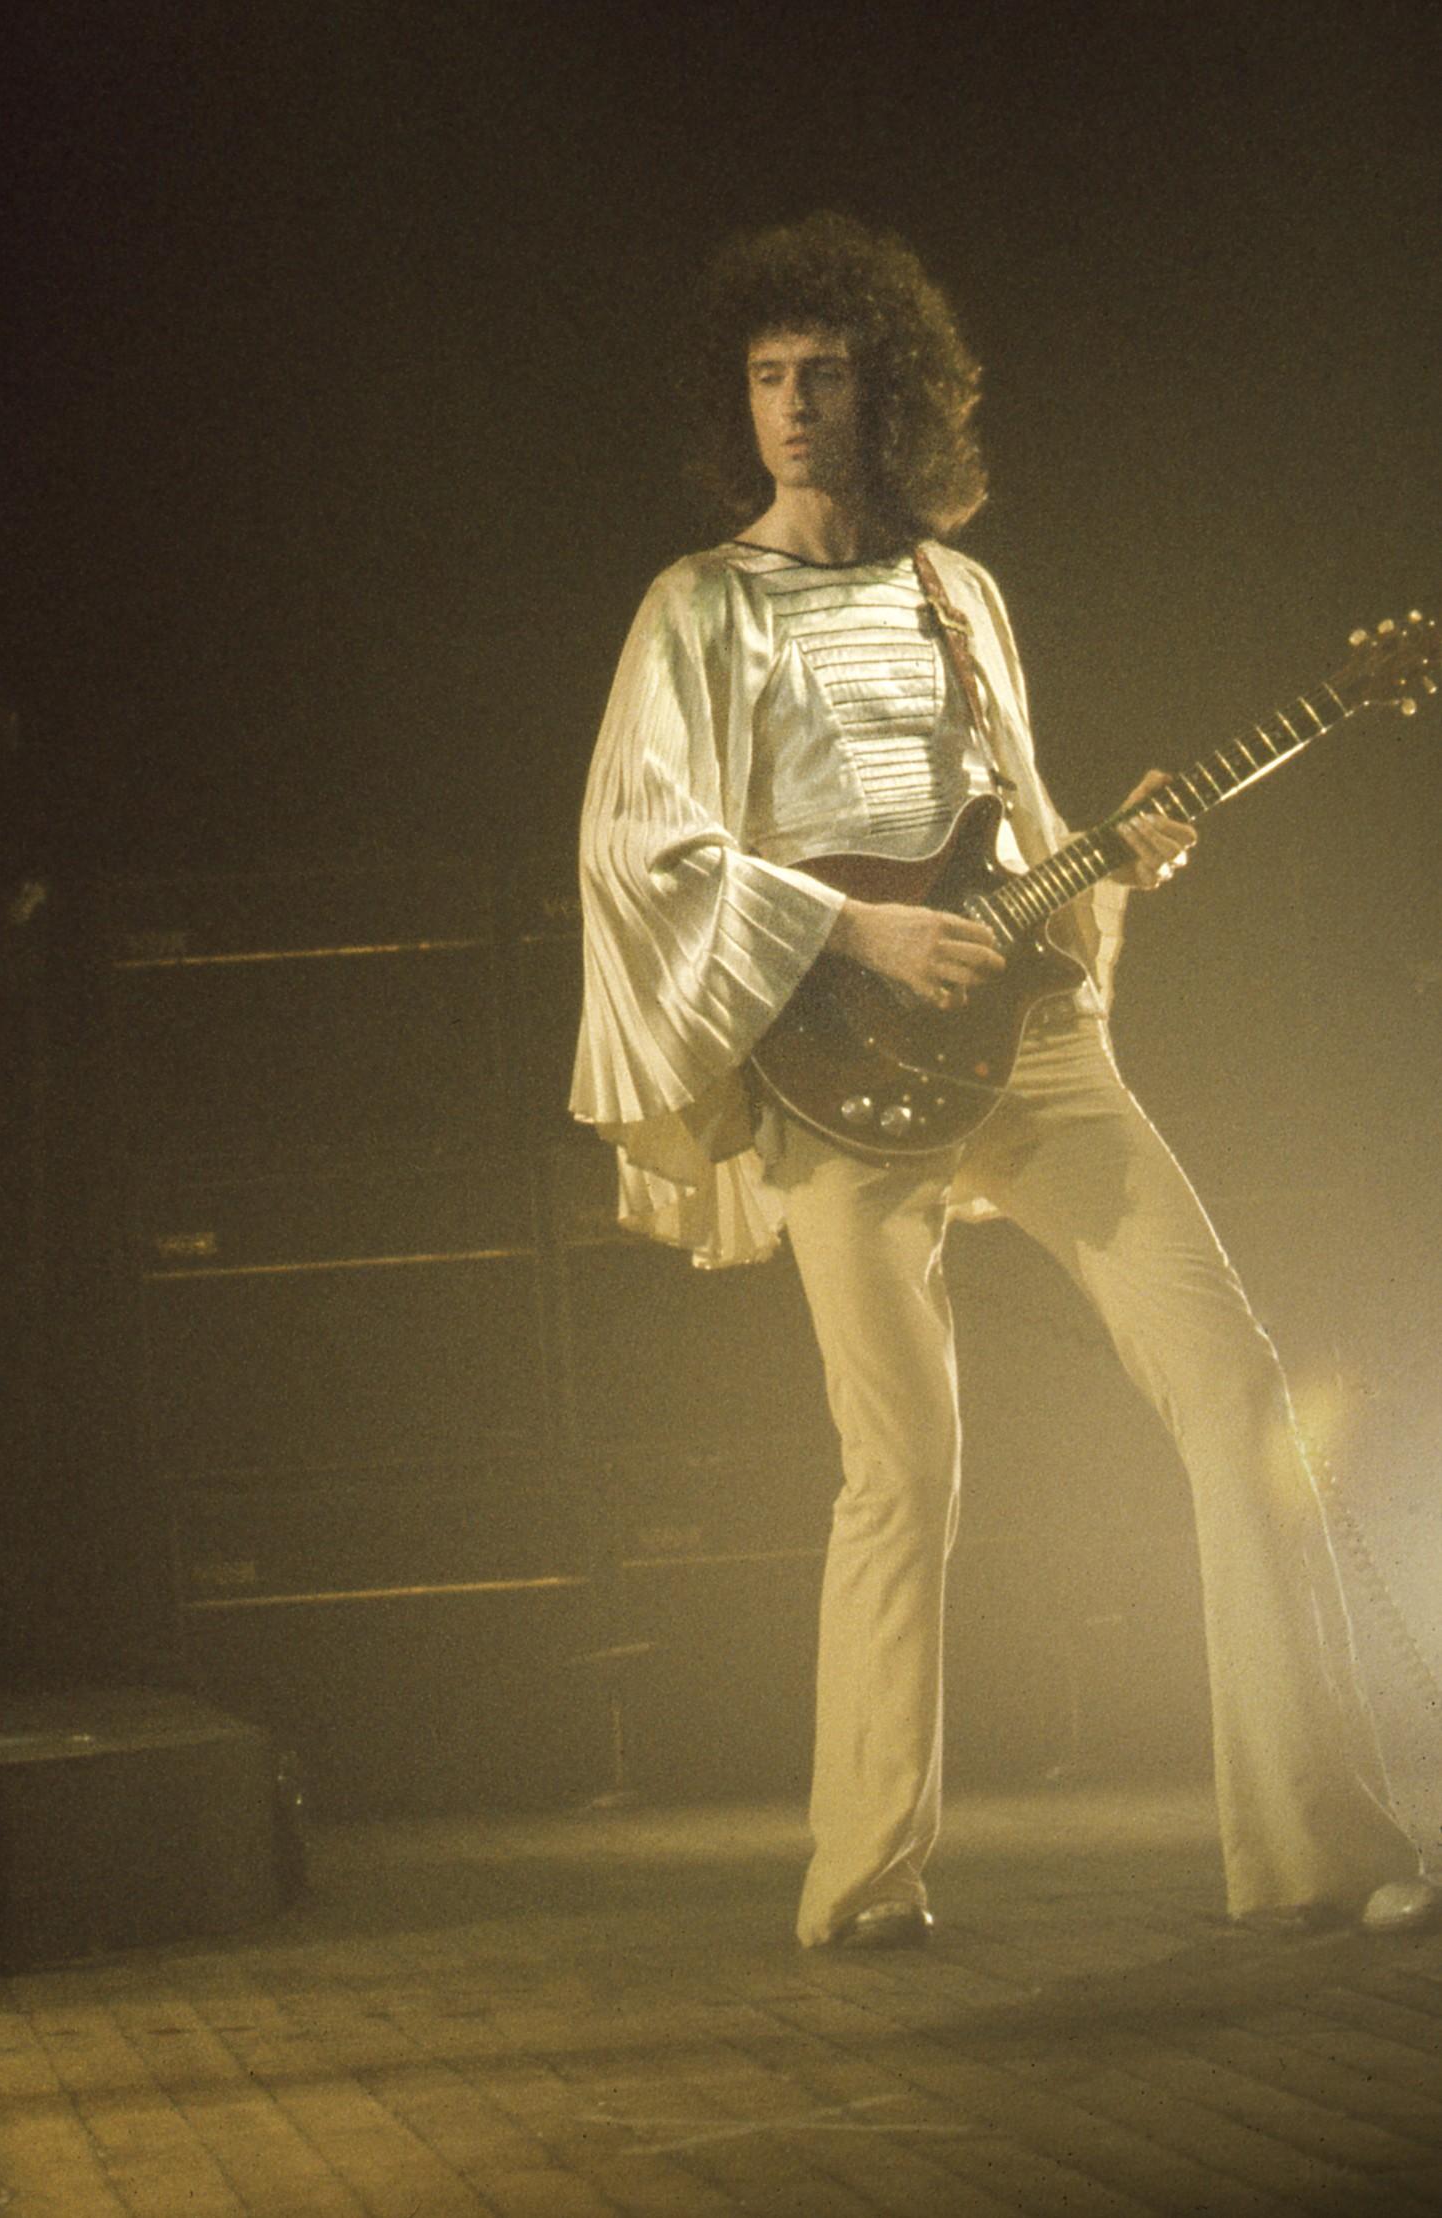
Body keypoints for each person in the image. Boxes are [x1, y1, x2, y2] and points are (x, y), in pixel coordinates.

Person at [570, 215, 1435, 1950]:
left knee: (1237, 1386)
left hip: (1033, 1046)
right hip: (836, 1069)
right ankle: (862, 1874)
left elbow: (1014, 841)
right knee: (903, 1464)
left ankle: (1321, 1841)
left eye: (825, 374)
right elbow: (642, 850)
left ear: (888, 394)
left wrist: (1117, 853)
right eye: (767, 376)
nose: (793, 405)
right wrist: (859, 934)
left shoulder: (960, 595)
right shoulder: (699, 607)